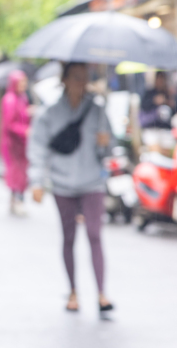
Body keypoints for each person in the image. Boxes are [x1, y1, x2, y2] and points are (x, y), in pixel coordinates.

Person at [28, 63, 114, 314]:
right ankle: (73, 291)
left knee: (95, 235)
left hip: (92, 182)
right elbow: (38, 148)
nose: (81, 83)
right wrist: (37, 181)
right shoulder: (50, 113)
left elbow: (108, 149)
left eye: (84, 78)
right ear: (64, 80)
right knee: (69, 238)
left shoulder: (98, 111)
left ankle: (101, 293)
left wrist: (105, 143)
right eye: (76, 77)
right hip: (62, 183)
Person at [0, 71, 30, 216]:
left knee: (22, 173)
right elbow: (9, 124)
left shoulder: (22, 98)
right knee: (16, 173)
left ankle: (15, 200)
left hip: (23, 143)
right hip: (12, 143)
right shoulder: (10, 99)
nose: (24, 85)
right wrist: (25, 131)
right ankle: (18, 201)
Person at [140, 71, 175, 154]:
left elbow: (174, 110)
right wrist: (154, 101)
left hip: (165, 128)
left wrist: (170, 102)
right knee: (155, 154)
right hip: (152, 127)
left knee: (166, 154)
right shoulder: (149, 92)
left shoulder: (168, 93)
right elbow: (143, 106)